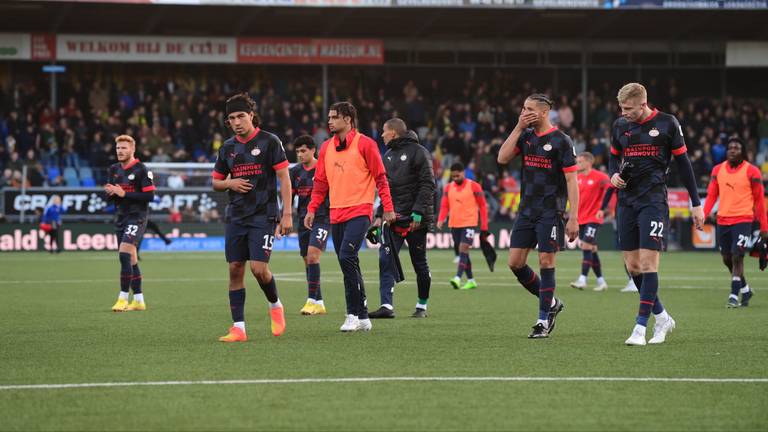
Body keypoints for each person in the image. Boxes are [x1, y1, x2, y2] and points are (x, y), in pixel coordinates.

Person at [609, 82, 705, 346]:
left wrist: (695, 203)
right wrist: (613, 175)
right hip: (626, 201)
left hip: (653, 201)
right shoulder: (620, 126)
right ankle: (662, 316)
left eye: (628, 108)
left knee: (649, 263)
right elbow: (612, 158)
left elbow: (684, 165)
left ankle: (641, 327)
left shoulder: (667, 123)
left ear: (643, 103)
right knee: (633, 266)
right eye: (621, 108)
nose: (624, 112)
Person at [305, 101, 395, 332]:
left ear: (348, 120)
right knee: (349, 263)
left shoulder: (365, 144)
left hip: (360, 210)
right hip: (336, 213)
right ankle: (364, 316)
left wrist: (388, 207)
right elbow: (321, 182)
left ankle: (352, 314)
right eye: (329, 117)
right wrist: (312, 209)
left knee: (346, 257)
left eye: (334, 117)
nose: (329, 121)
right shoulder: (325, 148)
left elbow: (381, 178)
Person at [211, 93, 292, 343]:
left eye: (241, 116)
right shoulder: (227, 148)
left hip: (264, 214)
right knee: (235, 269)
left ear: (251, 116)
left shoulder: (269, 141)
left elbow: (284, 178)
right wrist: (230, 183)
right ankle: (238, 328)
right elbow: (215, 182)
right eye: (232, 118)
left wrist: (287, 214)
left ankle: (275, 305)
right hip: (236, 215)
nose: (236, 121)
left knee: (259, 269)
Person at [497, 93, 579, 339]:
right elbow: (502, 158)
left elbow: (572, 180)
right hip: (526, 210)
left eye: (529, 109)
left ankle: (543, 320)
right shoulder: (526, 136)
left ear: (544, 112)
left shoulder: (561, 141)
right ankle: (552, 302)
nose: (524, 113)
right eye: (523, 108)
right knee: (515, 263)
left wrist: (573, 217)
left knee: (546, 261)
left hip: (550, 211)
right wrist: (518, 127)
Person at [368, 120, 436, 319]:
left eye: (384, 131)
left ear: (394, 133)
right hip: (393, 219)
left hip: (415, 220)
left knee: (419, 263)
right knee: (385, 258)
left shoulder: (419, 152)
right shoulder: (387, 156)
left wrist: (417, 212)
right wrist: (380, 215)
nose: (381, 135)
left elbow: (428, 184)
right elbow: (385, 189)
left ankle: (421, 306)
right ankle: (386, 306)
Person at [703, 137, 767, 308]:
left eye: (736, 148)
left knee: (737, 255)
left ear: (743, 152)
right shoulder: (717, 170)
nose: (732, 150)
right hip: (723, 220)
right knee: (727, 259)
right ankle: (745, 289)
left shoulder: (752, 171)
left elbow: (760, 201)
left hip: (744, 219)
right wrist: (703, 214)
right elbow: (711, 196)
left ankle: (733, 295)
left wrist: (764, 227)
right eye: (730, 148)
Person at [105, 135, 155, 312]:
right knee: (131, 259)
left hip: (137, 217)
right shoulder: (113, 169)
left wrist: (124, 194)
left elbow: (149, 196)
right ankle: (139, 300)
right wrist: (111, 193)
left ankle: (123, 298)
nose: (120, 151)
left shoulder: (142, 170)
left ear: (132, 149)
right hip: (121, 217)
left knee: (124, 254)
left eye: (124, 148)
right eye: (118, 148)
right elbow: (111, 197)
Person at [290, 134, 330, 315]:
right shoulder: (295, 172)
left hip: (322, 218)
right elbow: (289, 196)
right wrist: (284, 217)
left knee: (313, 256)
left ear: (313, 150)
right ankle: (320, 302)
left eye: (303, 151)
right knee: (307, 260)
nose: (300, 154)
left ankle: (310, 301)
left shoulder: (323, 169)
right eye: (297, 151)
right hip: (303, 220)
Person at [569, 152, 611, 292]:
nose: (578, 164)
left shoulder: (601, 177)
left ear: (589, 162)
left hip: (594, 217)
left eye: (580, 161)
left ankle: (582, 279)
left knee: (586, 246)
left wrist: (605, 209)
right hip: (580, 218)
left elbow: (612, 190)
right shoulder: (577, 178)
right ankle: (601, 281)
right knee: (591, 249)